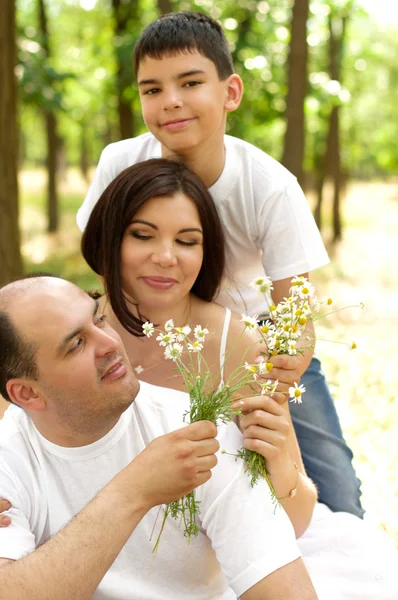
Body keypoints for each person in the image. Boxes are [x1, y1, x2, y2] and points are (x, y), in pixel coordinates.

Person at [76, 10, 363, 517]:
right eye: (151, 89)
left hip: (247, 350)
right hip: (148, 338)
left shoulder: (269, 187)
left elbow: (294, 311)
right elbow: (105, 267)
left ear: (231, 92)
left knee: (335, 492)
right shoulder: (120, 163)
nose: (171, 101)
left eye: (190, 83)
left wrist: (272, 373)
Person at [77, 158, 398, 600]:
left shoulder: (241, 345)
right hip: (93, 551)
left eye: (186, 241)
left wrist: (277, 460)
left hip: (214, 567)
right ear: (109, 238)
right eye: (142, 235)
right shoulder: (76, 331)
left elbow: (297, 519)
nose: (166, 257)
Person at [0, 275, 316, 599]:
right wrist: (133, 491)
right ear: (27, 393)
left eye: (99, 319)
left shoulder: (197, 429)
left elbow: (286, 591)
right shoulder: (7, 459)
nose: (110, 342)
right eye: (77, 344)